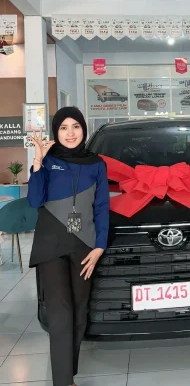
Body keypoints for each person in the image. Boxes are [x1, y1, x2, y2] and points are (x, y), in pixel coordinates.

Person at [27, 107, 110, 386]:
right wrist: (38, 162)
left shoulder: (96, 163)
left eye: (76, 126)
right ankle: (63, 382)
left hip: (84, 246)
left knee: (78, 311)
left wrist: (99, 247)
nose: (70, 133)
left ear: (84, 129)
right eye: (63, 127)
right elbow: (34, 200)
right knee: (60, 314)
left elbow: (102, 207)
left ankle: (68, 375)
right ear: (56, 131)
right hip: (51, 246)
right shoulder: (48, 160)